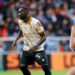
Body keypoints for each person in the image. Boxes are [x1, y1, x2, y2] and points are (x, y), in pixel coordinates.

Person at [12, 5, 51, 75]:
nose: (19, 14)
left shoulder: (36, 22)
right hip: (27, 49)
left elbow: (44, 37)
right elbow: (21, 31)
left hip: (38, 49)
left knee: (45, 67)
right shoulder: (20, 21)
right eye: (18, 13)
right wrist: (16, 40)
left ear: (26, 12)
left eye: (20, 12)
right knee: (22, 67)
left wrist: (35, 46)